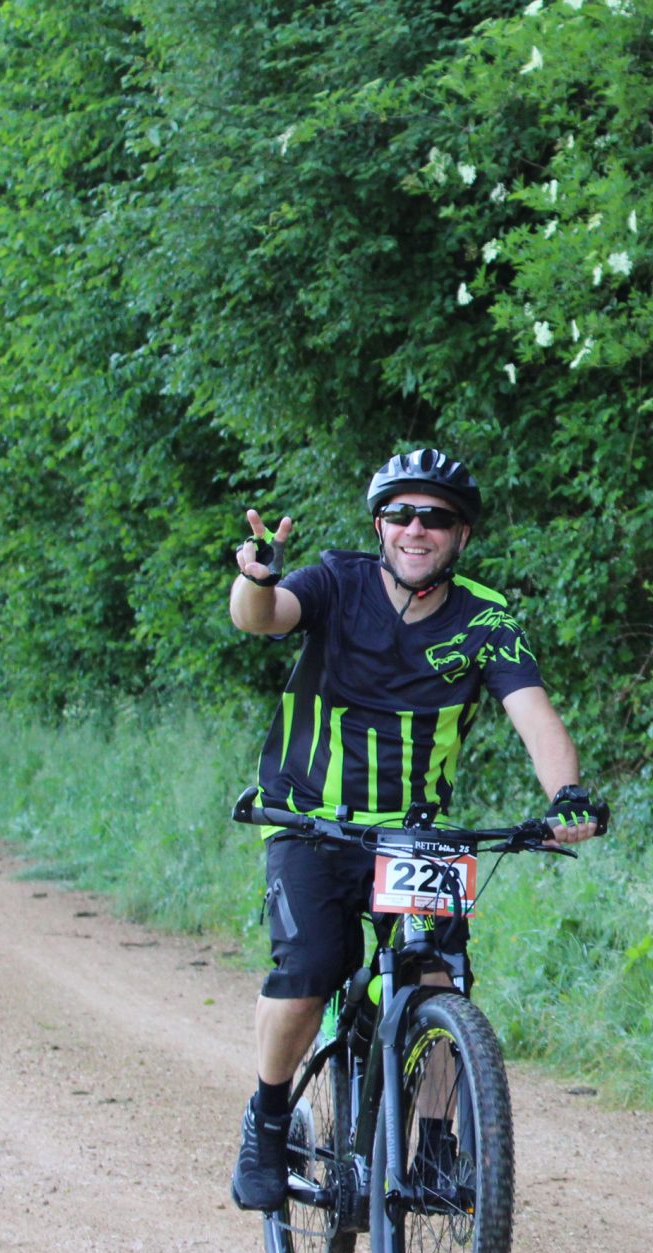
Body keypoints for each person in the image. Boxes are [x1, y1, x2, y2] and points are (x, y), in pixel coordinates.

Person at [224, 447, 602, 1211]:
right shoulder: (335, 582)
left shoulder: (486, 619)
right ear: (380, 525)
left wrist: (566, 795)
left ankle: (433, 1145)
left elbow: (534, 716)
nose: (416, 528)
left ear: (462, 535)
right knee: (312, 966)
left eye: (436, 516)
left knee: (437, 973)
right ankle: (266, 1122)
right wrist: (256, 579)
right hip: (309, 818)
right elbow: (263, 618)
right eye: (401, 513)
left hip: (416, 837)